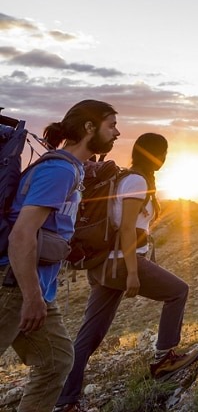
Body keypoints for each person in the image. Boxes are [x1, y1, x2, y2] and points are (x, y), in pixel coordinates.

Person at [55, 133, 198, 412]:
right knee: (178, 291)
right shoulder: (136, 181)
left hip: (105, 266)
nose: (164, 158)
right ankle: (164, 357)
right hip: (121, 263)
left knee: (89, 335)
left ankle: (65, 400)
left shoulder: (130, 178)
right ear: (152, 155)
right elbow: (126, 230)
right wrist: (133, 273)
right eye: (162, 152)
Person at [0, 100, 120, 412]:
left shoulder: (69, 169)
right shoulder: (59, 170)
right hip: (13, 285)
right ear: (89, 128)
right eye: (111, 125)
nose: (117, 133)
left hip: (33, 285)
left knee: (56, 360)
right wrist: (30, 297)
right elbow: (21, 235)